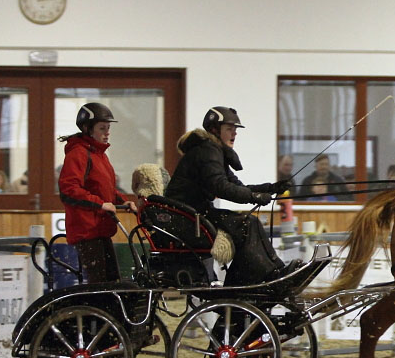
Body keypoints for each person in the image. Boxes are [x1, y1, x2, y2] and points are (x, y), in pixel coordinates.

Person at [164, 106, 291, 286]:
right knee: (247, 224)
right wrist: (255, 197)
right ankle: (263, 276)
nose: (234, 134)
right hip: (188, 218)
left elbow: (236, 186)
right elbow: (221, 187)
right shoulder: (207, 151)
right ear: (215, 129)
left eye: (235, 130)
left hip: (195, 215)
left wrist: (270, 188)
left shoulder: (212, 150)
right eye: (229, 129)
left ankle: (273, 270)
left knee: (249, 222)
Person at [58, 102, 138, 283]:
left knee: (112, 282)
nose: (107, 132)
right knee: (100, 284)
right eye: (102, 128)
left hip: (100, 229)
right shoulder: (78, 153)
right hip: (87, 230)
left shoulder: (99, 155)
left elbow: (106, 189)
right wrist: (99, 204)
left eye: (108, 128)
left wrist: (123, 201)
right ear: (87, 129)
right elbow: (69, 189)